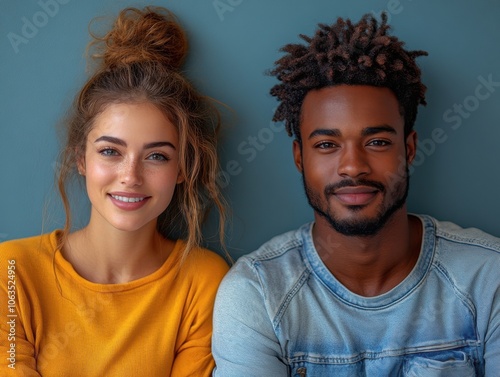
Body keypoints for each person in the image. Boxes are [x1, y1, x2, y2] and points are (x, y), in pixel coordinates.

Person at [212, 13, 500, 376]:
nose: (352, 166)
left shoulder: (488, 280)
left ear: (409, 149)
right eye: (327, 144)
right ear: (300, 157)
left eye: (377, 142)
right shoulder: (257, 295)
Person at [0, 6, 229, 376]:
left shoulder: (203, 281)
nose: (130, 176)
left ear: (183, 168)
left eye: (156, 155)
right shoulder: (10, 271)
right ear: (81, 158)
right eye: (110, 151)